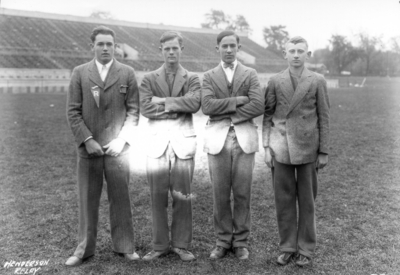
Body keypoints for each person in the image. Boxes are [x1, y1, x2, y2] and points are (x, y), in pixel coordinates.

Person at [66, 26, 140, 266]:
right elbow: (73, 111)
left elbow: (134, 112)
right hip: (89, 151)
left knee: (121, 198)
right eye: (101, 44)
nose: (106, 48)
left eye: (110, 44)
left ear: (115, 46)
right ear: (93, 47)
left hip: (119, 151)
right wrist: (87, 140)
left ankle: (125, 246)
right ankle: (84, 249)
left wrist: (121, 140)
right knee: (88, 200)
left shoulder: (127, 72)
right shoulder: (79, 73)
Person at [262, 36, 330, 267]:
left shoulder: (317, 80)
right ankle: (287, 247)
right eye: (291, 50)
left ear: (308, 54)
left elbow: (324, 117)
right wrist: (265, 146)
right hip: (280, 149)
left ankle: (305, 249)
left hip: (309, 149)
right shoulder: (275, 80)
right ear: (285, 54)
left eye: (301, 50)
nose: (296, 55)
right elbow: (268, 116)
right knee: (284, 200)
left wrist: (324, 151)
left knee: (307, 202)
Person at [202, 30, 264, 261]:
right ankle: (222, 241)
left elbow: (258, 105)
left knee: (242, 193)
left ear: (238, 48)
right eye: (224, 46)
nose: (228, 50)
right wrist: (238, 101)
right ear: (217, 48)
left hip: (244, 139)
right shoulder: (208, 76)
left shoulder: (250, 73)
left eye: (232, 46)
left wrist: (229, 115)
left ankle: (240, 242)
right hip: (217, 140)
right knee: (220, 194)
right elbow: (207, 106)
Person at [139, 31, 201, 262]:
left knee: (183, 196)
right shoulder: (148, 78)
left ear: (181, 49)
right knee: (157, 196)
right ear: (161, 50)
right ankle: (159, 246)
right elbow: (145, 108)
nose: (171, 52)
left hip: (183, 143)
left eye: (175, 48)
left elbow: (194, 103)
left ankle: (181, 245)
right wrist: (177, 105)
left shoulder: (193, 78)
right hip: (156, 144)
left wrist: (162, 102)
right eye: (167, 49)